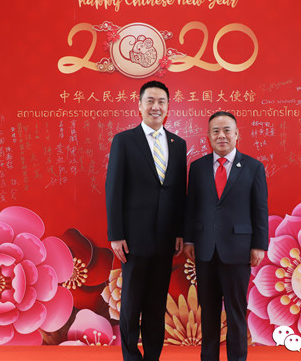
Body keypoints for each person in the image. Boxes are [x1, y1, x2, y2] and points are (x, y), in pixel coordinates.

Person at [105, 80, 187, 361]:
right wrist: (116, 234)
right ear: (139, 106)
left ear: (168, 107)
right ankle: (131, 356)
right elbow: (114, 188)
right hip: (133, 238)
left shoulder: (178, 144)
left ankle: (153, 356)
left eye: (161, 101)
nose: (156, 106)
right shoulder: (124, 141)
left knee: (156, 302)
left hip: (165, 238)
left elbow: (179, 192)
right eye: (150, 101)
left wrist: (179, 231)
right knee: (131, 303)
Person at [184, 111, 269, 361]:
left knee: (235, 313)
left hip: (238, 250)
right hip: (205, 250)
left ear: (236, 134)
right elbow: (191, 207)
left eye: (226, 130)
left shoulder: (253, 167)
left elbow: (260, 209)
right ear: (208, 136)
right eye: (216, 131)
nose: (221, 135)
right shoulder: (197, 168)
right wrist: (189, 239)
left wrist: (259, 245)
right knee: (208, 313)